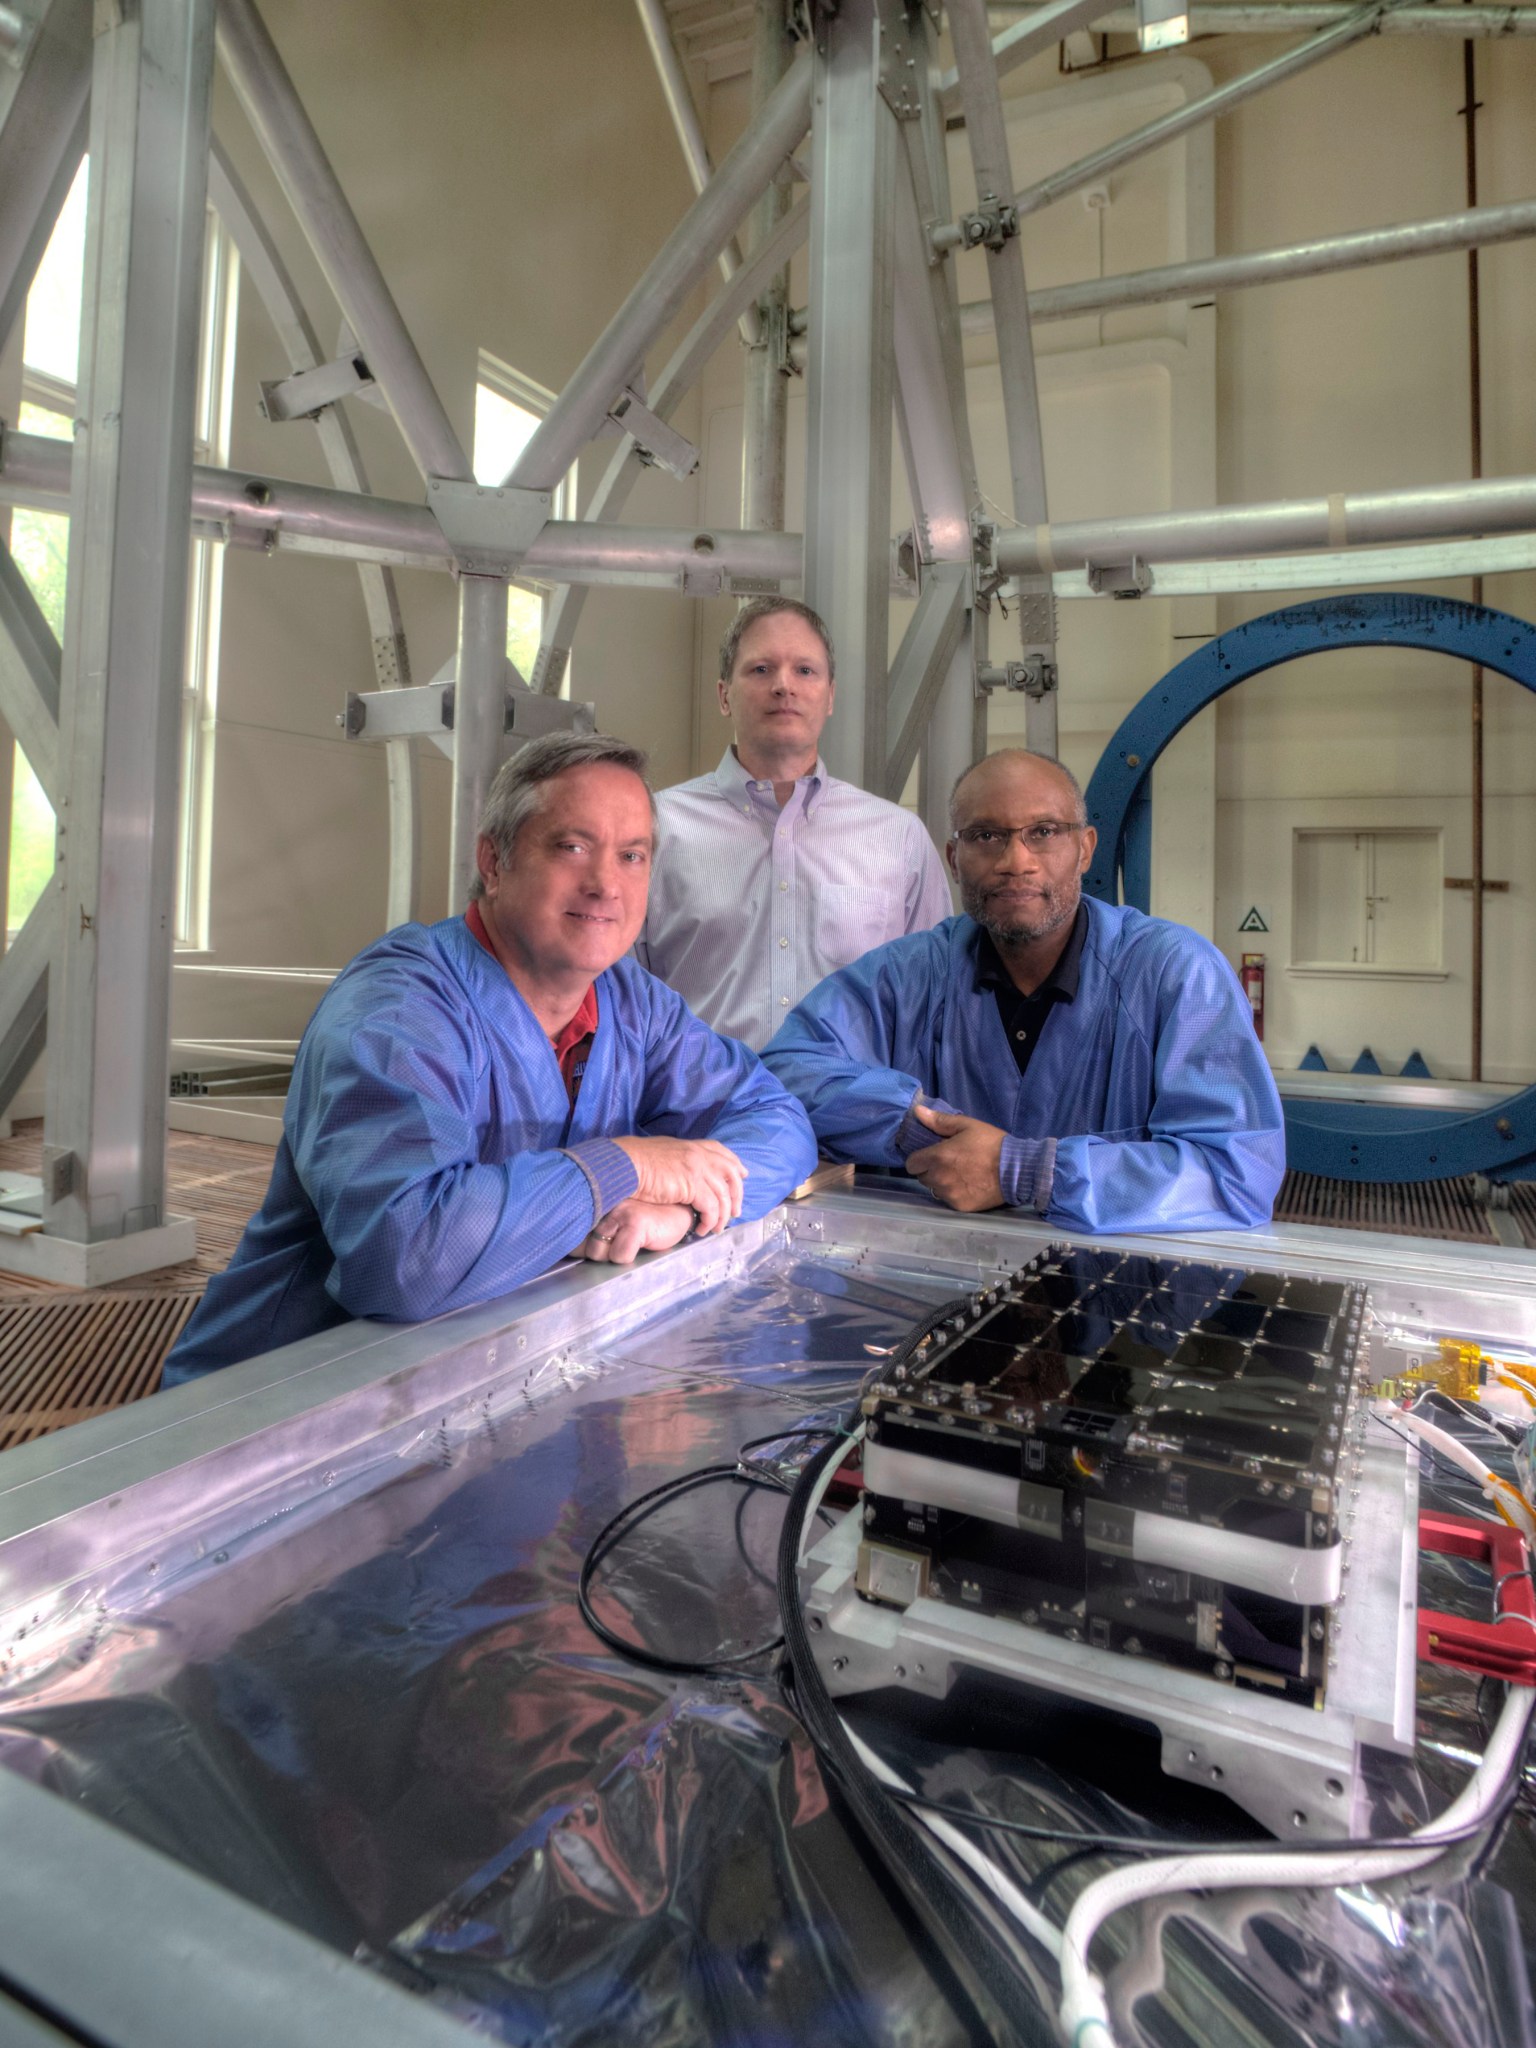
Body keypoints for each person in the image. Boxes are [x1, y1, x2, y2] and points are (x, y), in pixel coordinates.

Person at [163, 732, 818, 1384]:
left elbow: (779, 1120)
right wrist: (624, 1167)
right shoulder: (397, 1011)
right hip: (275, 1410)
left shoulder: (631, 1002)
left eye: (632, 856)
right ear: (495, 861)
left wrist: (682, 1210)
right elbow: (407, 1259)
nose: (604, 884)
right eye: (573, 846)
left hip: (474, 1381)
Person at [760, 747, 1284, 1234]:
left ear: (1085, 849)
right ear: (953, 857)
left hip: (1115, 1304)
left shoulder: (1176, 974)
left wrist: (1027, 1172)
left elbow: (1236, 1172)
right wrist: (917, 1128)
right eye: (986, 835)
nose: (1016, 860)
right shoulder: (909, 975)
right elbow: (785, 1070)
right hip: (942, 1285)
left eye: (1044, 832)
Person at [635, 597, 952, 1049]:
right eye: (761, 669)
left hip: (855, 1115)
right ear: (724, 695)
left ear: (829, 697)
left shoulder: (898, 838)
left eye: (805, 670)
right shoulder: (654, 829)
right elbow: (620, 998)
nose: (784, 686)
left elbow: (933, 1003)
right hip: (704, 1114)